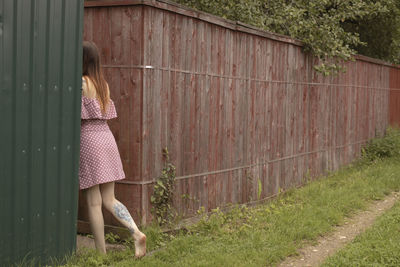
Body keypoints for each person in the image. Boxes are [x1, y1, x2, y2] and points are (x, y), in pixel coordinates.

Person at [79, 41, 146, 258]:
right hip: (106, 137)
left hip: (89, 138)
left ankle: (101, 255)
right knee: (110, 198)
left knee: (93, 200)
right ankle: (136, 233)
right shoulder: (103, 85)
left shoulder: (81, 83)